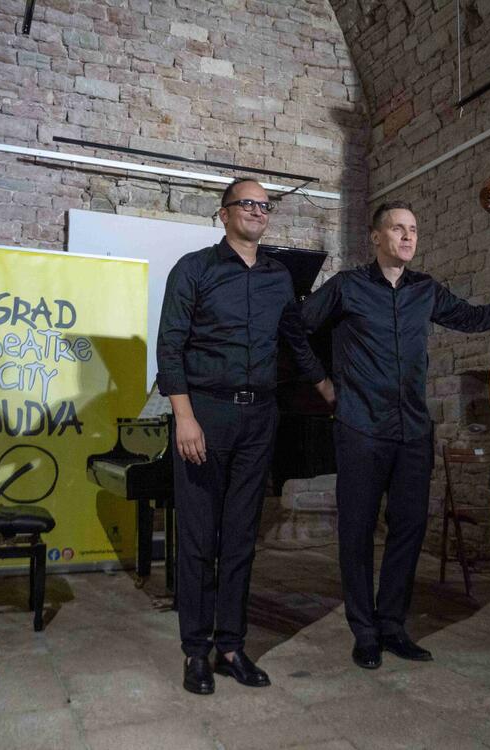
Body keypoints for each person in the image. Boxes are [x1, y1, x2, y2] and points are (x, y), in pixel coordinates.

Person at [302, 200, 490, 669]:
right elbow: (296, 329)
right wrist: (324, 384)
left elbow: (472, 319)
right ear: (376, 237)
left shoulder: (424, 290)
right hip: (360, 428)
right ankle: (364, 631)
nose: (408, 236)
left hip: (412, 430)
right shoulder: (347, 287)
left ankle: (393, 625)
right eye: (398, 228)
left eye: (413, 229)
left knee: (409, 529)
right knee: (356, 531)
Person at [157, 178, 334, 695]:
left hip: (260, 418)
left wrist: (327, 387)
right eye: (247, 203)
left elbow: (295, 342)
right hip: (206, 414)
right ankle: (195, 651)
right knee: (197, 539)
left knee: (240, 538)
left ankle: (231, 646)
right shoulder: (194, 269)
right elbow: (170, 346)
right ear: (224, 213)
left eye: (264, 205)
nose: (258, 211)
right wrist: (184, 417)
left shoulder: (279, 277)